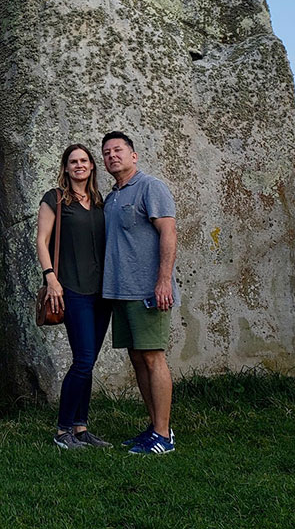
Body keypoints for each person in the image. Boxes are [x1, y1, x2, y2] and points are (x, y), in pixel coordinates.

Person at [100, 131, 179, 455]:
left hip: (147, 290)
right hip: (120, 291)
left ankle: (164, 435)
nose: (112, 156)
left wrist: (163, 280)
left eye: (118, 150)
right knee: (137, 357)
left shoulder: (150, 187)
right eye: (106, 153)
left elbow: (169, 232)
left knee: (152, 356)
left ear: (134, 156)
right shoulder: (112, 197)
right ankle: (153, 427)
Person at [36, 143, 112, 450]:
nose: (79, 165)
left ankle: (81, 429)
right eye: (73, 161)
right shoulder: (54, 199)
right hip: (72, 291)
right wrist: (51, 279)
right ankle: (62, 432)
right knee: (82, 361)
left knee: (88, 362)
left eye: (84, 160)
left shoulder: (99, 202)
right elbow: (41, 241)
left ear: (92, 166)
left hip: (102, 294)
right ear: (66, 168)